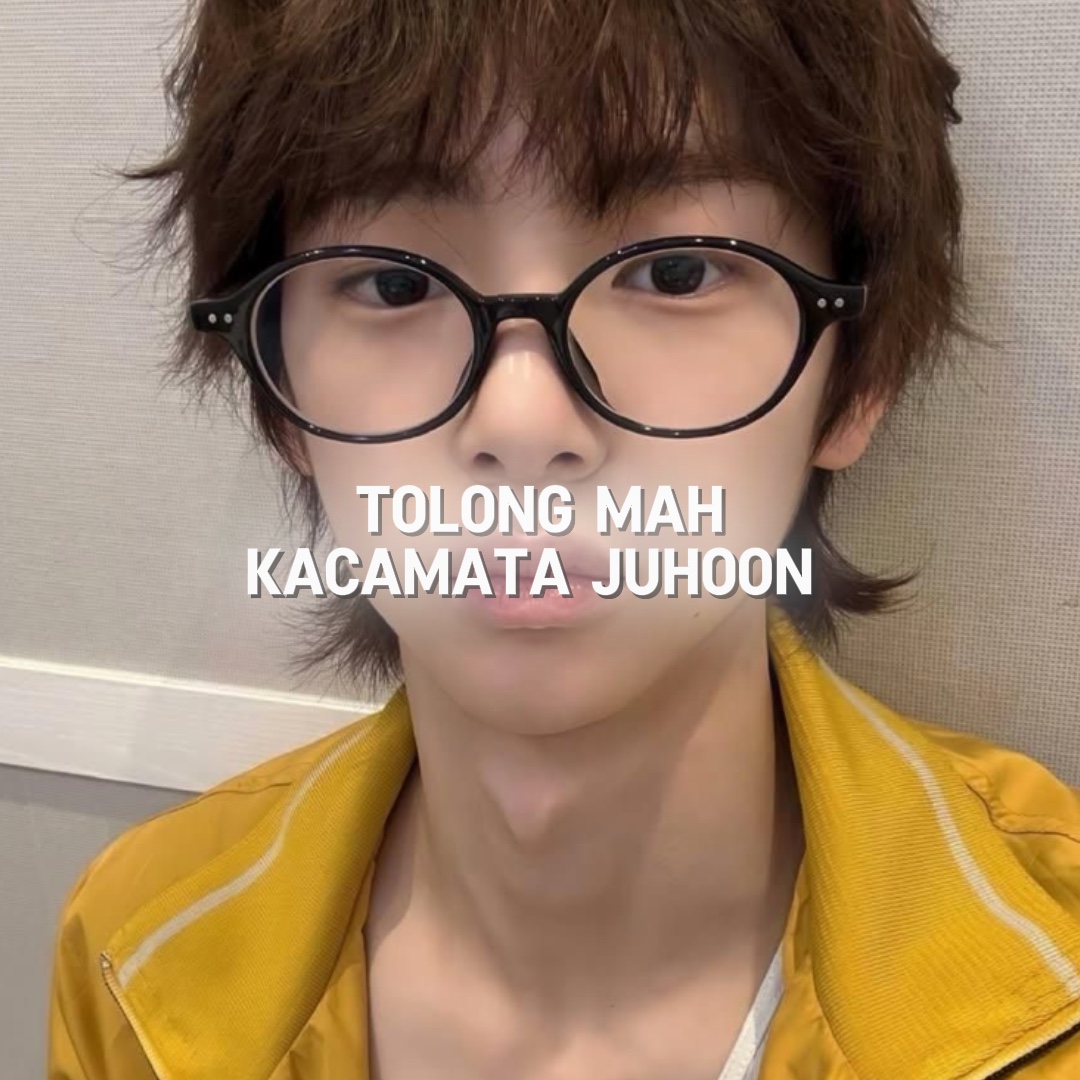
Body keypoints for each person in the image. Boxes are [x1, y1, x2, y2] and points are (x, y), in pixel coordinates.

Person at [45, 1, 1080, 1077]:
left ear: (858, 377)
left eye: (676, 272)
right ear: (281, 400)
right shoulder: (130, 951)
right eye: (394, 283)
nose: (523, 421)